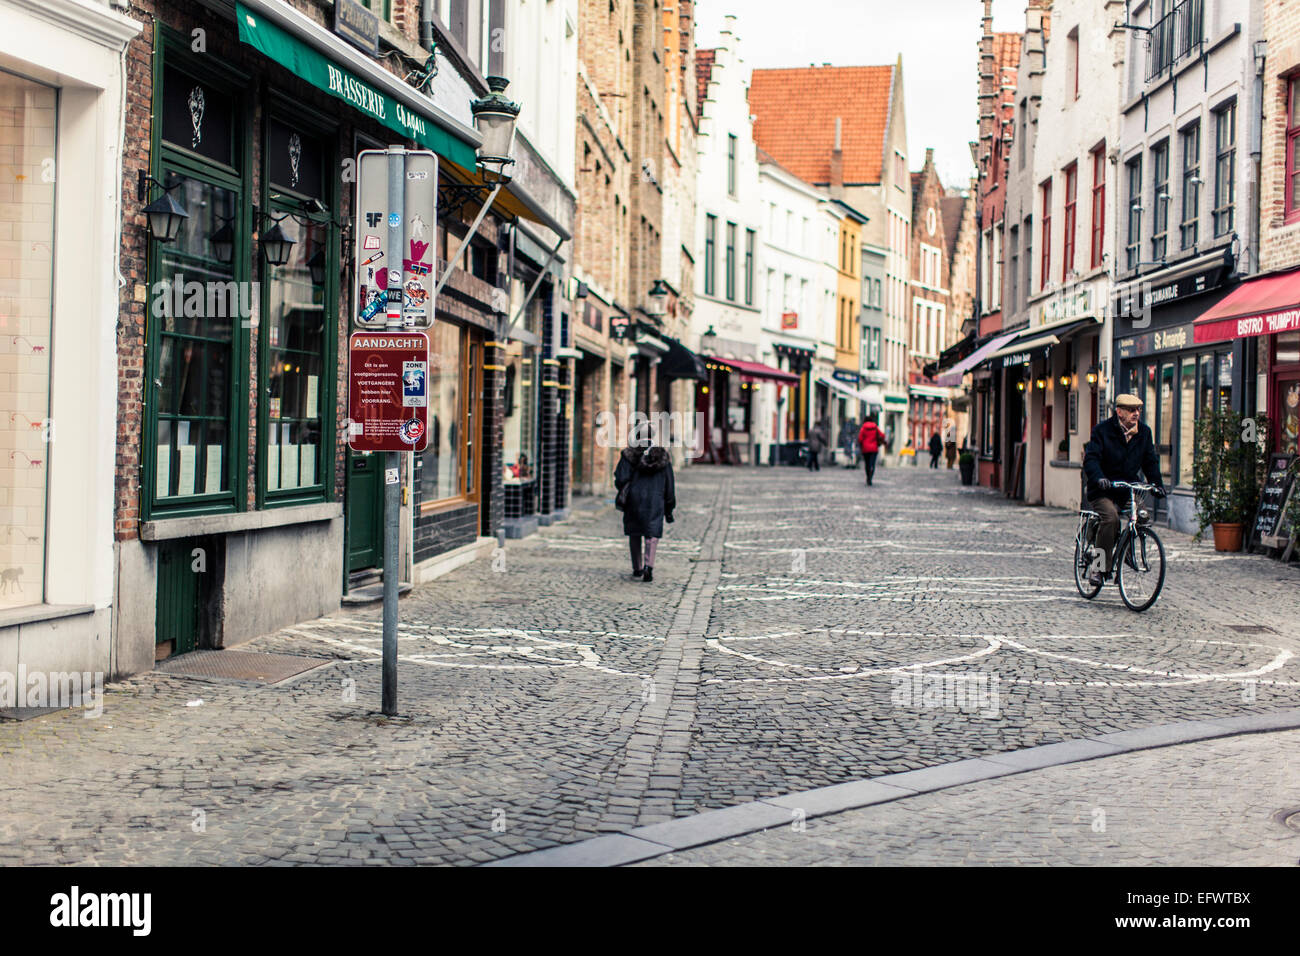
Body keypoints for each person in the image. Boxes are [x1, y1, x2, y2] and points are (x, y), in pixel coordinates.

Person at [1082, 393, 1167, 587]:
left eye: (1138, 410)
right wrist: (1099, 478)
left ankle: (1127, 550)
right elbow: (1091, 459)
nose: (1136, 414)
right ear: (1119, 412)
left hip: (1127, 489)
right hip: (1103, 489)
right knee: (1111, 519)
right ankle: (1098, 567)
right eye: (1131, 410)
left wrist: (1157, 484)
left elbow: (1150, 462)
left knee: (1143, 516)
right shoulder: (1102, 431)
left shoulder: (1144, 432)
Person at [614, 436, 676, 583]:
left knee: (635, 533)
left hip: (634, 499)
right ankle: (649, 566)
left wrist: (626, 489)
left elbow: (620, 478)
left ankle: (637, 568)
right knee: (652, 534)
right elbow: (669, 485)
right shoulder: (663, 458)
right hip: (656, 500)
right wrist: (669, 507)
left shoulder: (629, 455)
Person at [858, 414, 885, 486]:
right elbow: (882, 435)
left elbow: (860, 438)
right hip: (874, 448)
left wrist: (862, 444)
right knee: (872, 463)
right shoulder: (875, 427)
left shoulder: (863, 428)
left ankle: (868, 476)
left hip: (865, 449)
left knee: (867, 464)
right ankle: (870, 476)